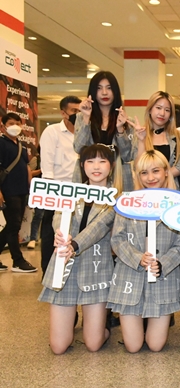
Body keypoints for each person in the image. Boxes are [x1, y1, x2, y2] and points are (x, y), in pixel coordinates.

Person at [38, 144, 122, 354]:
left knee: (93, 344)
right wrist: (61, 233)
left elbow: (100, 226)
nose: (96, 167)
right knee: (58, 347)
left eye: (102, 161)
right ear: (82, 165)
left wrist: (74, 244)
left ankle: (104, 324)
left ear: (111, 166)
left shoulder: (116, 199)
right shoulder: (71, 192)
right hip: (63, 265)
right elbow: (59, 215)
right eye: (90, 161)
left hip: (96, 268)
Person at [108, 151, 180, 353]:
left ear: (166, 172)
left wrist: (163, 263)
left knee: (155, 345)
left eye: (155, 171)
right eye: (144, 173)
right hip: (129, 277)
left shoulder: (178, 205)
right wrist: (137, 258)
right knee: (133, 346)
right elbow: (117, 238)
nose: (150, 177)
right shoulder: (127, 202)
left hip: (163, 280)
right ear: (137, 175)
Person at [39, 96, 81, 274]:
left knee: (74, 232)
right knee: (52, 232)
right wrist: (49, 192)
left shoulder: (85, 133)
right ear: (64, 113)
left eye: (80, 111)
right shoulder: (52, 131)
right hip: (57, 191)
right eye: (74, 111)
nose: (77, 115)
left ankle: (69, 270)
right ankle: (47, 271)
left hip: (80, 192)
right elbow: (47, 165)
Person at [73, 71, 134, 190]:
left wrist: (120, 129)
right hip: (88, 178)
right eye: (99, 88)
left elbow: (127, 156)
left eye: (109, 88)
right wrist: (86, 119)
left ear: (115, 91)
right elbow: (79, 148)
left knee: (118, 203)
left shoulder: (126, 120)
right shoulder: (81, 117)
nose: (104, 92)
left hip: (119, 178)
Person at [130, 91, 180, 193]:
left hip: (175, 190)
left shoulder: (179, 135)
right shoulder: (140, 134)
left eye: (167, 110)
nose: (162, 113)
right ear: (150, 110)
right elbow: (138, 167)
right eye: (158, 108)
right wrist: (141, 140)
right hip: (148, 191)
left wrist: (161, 177)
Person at [0, 113, 36, 272]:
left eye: (17, 123)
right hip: (8, 190)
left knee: (12, 225)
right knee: (14, 226)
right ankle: (17, 261)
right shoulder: (1, 143)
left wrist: (31, 187)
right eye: (11, 123)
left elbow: (26, 167)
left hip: (22, 190)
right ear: (3, 126)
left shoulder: (21, 145)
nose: (15, 126)